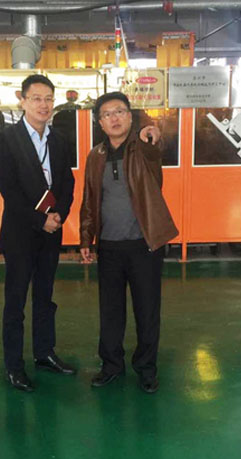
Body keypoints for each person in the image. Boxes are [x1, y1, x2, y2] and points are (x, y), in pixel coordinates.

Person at [79, 91, 178, 394]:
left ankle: (146, 369)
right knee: (110, 312)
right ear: (100, 122)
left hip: (144, 244)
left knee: (147, 311)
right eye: (107, 114)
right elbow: (89, 199)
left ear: (130, 117)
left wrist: (151, 131)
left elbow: (155, 144)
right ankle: (111, 366)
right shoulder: (95, 156)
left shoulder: (144, 149)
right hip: (109, 246)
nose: (114, 118)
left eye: (120, 111)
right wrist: (86, 237)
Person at [0, 74, 76, 392]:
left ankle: (44, 353)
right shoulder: (6, 138)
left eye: (49, 99)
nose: (44, 105)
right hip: (20, 232)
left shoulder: (59, 139)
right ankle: (14, 365)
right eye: (37, 98)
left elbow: (67, 182)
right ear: (23, 100)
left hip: (51, 232)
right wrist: (39, 220)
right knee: (15, 301)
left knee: (45, 297)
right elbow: (8, 189)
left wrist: (59, 215)